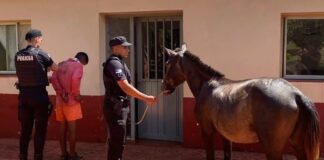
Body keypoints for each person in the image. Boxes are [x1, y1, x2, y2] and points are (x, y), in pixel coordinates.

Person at [103, 36, 156, 160]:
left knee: (119, 142)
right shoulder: (114, 63)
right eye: (125, 47)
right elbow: (125, 86)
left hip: (119, 107)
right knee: (116, 143)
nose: (128, 50)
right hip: (115, 108)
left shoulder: (120, 62)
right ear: (115, 48)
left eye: (128, 47)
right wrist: (146, 97)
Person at [15, 29, 58, 160]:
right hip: (39, 96)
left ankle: (23, 155)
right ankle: (38, 156)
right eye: (41, 38)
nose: (41, 41)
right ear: (36, 39)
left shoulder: (18, 54)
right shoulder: (42, 53)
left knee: (25, 129)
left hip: (24, 96)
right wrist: (47, 65)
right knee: (40, 129)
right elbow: (55, 68)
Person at [50, 52, 89, 160]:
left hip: (60, 101)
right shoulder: (78, 66)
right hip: (71, 102)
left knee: (62, 129)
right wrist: (77, 95)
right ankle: (72, 155)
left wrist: (61, 92)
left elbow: (53, 79)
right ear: (83, 60)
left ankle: (63, 154)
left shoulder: (61, 64)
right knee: (72, 130)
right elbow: (75, 79)